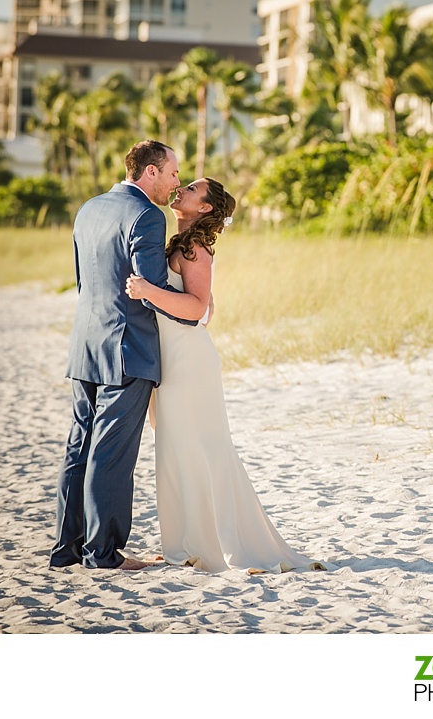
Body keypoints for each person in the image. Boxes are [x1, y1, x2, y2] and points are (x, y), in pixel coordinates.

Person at [126, 177, 329, 574]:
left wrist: (147, 291)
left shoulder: (195, 248)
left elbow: (195, 305)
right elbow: (207, 309)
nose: (180, 189)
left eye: (191, 189)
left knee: (204, 449)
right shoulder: (179, 244)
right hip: (171, 359)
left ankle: (220, 544)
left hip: (189, 364)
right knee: (175, 451)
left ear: (204, 209)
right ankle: (185, 544)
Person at [52, 140, 195, 571]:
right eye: (172, 172)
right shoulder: (146, 215)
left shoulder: (89, 208)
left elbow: (84, 281)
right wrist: (194, 315)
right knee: (111, 454)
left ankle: (67, 550)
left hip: (85, 346)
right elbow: (150, 288)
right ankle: (104, 553)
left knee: (79, 448)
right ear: (150, 172)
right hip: (126, 350)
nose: (175, 182)